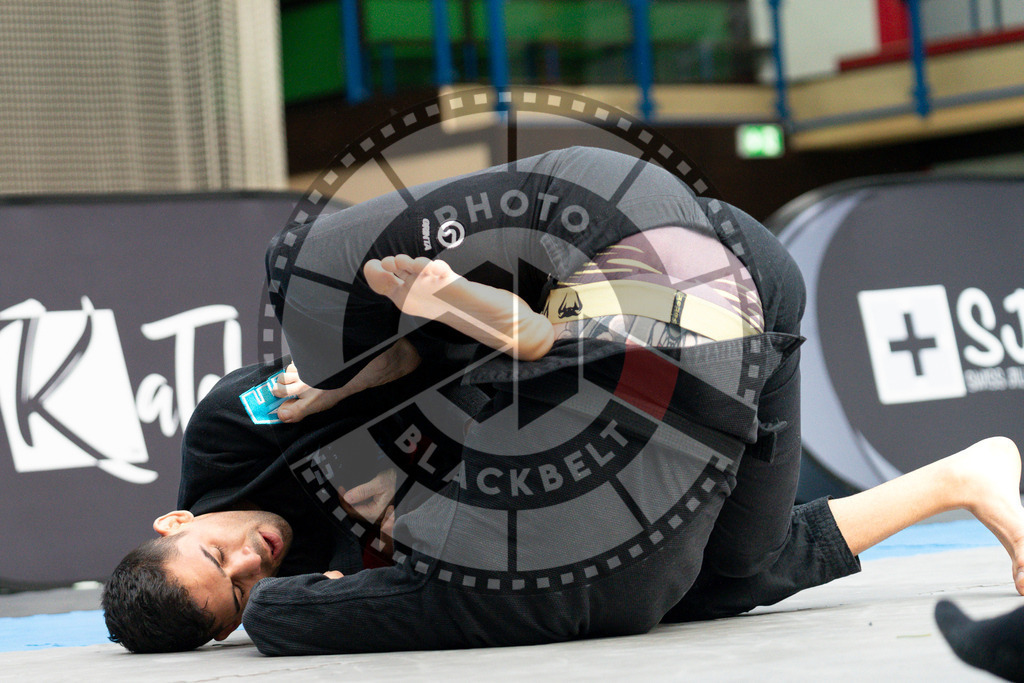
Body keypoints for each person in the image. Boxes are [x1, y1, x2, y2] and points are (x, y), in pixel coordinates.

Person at [104, 146, 1024, 655]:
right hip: (734, 334)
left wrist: (377, 372)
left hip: (604, 293)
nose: (250, 562)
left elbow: (400, 333)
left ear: (179, 514)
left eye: (216, 553)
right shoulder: (307, 575)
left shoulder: (235, 428)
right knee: (725, 571)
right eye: (236, 593)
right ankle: (960, 476)